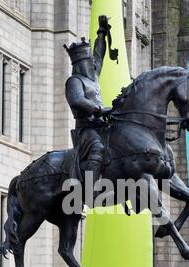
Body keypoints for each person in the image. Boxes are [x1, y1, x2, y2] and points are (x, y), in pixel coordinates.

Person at [65, 15, 114, 196]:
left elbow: (99, 54)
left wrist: (102, 31)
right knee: (98, 148)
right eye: (89, 62)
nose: (93, 64)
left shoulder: (92, 77)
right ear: (80, 64)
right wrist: (98, 109)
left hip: (101, 126)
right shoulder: (74, 81)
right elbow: (77, 100)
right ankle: (88, 190)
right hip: (86, 130)